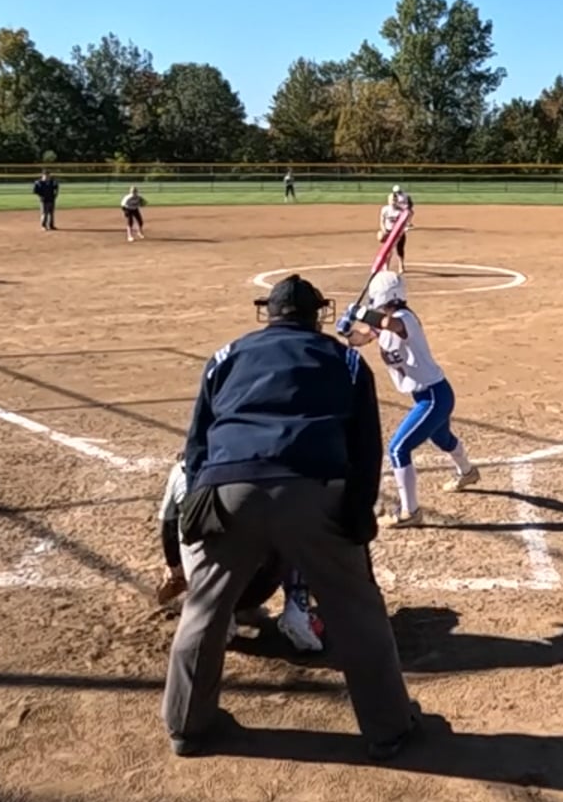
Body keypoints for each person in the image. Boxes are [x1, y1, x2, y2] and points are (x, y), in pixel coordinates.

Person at [163, 274, 418, 761]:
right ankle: (389, 729)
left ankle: (186, 726)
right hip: (313, 488)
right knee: (356, 609)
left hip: (229, 486)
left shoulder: (226, 355)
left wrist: (200, 500)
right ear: (316, 315)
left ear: (271, 313)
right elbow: (365, 449)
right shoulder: (346, 360)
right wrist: (357, 516)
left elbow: (198, 443)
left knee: (205, 609)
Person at [343, 271, 479, 529]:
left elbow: (390, 324)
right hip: (427, 395)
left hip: (434, 396)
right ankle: (468, 472)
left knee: (398, 449)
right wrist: (348, 331)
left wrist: (359, 313)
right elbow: (361, 338)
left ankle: (410, 511)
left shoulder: (405, 319)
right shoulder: (381, 323)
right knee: (442, 438)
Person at [154, 458, 322, 652]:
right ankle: (297, 608)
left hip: (207, 587)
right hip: (262, 583)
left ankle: (217, 615)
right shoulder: (263, 465)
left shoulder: (180, 471)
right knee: (294, 519)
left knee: (195, 527)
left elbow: (168, 531)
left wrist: (174, 567)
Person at [378, 194, 410, 274]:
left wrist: (403, 230)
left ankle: (401, 265)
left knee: (400, 250)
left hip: (398, 232)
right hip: (388, 232)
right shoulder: (385, 209)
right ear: (388, 200)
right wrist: (383, 230)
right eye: (392, 200)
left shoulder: (401, 211)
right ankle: (386, 267)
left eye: (395, 200)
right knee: (388, 251)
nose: (393, 202)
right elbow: (382, 221)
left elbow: (405, 222)